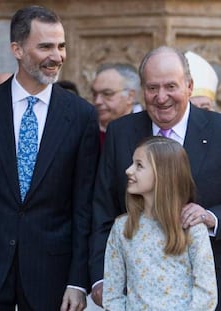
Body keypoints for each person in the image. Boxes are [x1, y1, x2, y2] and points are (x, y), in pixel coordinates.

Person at [0, 5, 99, 311]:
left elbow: (84, 205)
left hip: (53, 276)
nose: (57, 56)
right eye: (45, 46)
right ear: (16, 49)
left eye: (61, 46)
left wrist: (77, 281)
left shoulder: (81, 115)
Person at [89, 45, 221, 311]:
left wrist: (212, 218)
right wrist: (101, 279)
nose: (161, 97)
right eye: (152, 88)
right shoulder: (120, 132)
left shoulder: (219, 131)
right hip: (135, 295)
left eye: (170, 86)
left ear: (189, 86)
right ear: (141, 90)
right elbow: (102, 208)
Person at [103, 136, 217, 310]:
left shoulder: (191, 228)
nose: (128, 170)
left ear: (162, 174)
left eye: (139, 165)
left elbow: (206, 294)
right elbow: (112, 295)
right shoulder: (123, 227)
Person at [90, 63, 141, 147]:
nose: (97, 101)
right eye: (95, 94)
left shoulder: (149, 128)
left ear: (130, 96)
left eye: (107, 93)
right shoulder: (87, 129)